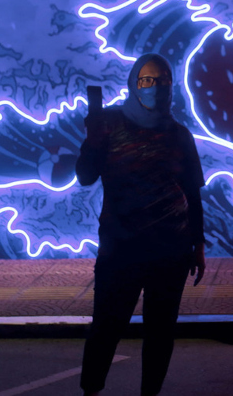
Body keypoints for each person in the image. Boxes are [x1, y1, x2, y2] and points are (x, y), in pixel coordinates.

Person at [76, 53, 206, 396]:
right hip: (120, 249)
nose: (155, 87)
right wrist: (92, 141)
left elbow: (192, 192)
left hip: (171, 251)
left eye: (162, 80)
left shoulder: (179, 134)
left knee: (161, 333)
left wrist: (198, 244)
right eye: (147, 80)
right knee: (106, 327)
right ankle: (91, 390)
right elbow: (85, 176)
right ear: (134, 84)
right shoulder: (109, 125)